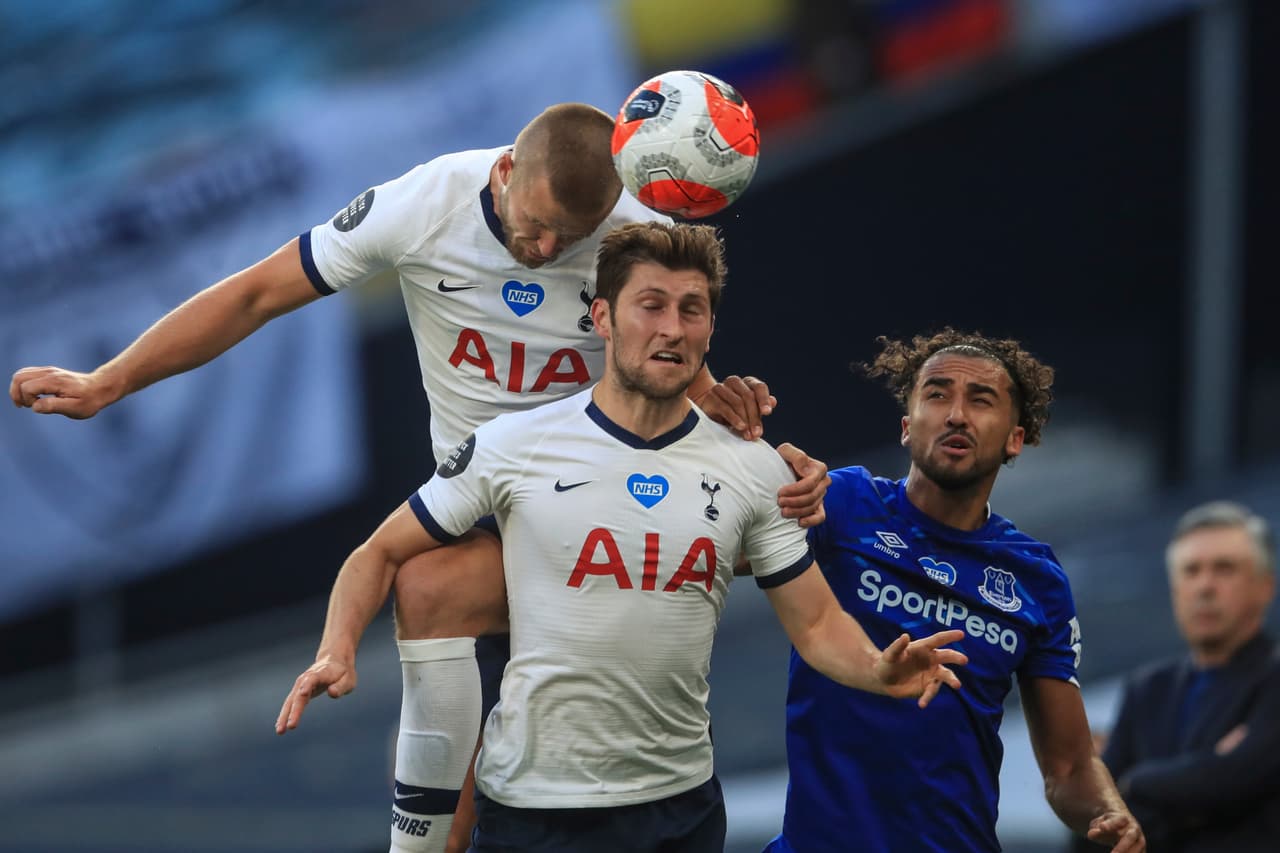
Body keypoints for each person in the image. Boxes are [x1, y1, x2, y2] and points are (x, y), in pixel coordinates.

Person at [9, 103, 830, 853]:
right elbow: (256, 294)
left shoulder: (628, 229)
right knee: (431, 585)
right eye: (537, 226)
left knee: (781, 539)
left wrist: (745, 430)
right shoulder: (422, 204)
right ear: (506, 171)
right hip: (484, 498)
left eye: (567, 239)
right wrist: (108, 380)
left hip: (605, 497)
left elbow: (669, 347)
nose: (545, 251)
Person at [277, 220, 968, 853]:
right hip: (530, 812)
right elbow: (381, 551)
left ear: (710, 329)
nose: (671, 328)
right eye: (652, 305)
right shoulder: (514, 446)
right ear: (603, 317)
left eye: (691, 309)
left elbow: (817, 622)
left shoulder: (754, 468)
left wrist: (877, 669)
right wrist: (337, 648)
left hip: (679, 811)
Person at [766, 328, 1145, 853]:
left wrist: (1109, 811)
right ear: (907, 427)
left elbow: (1070, 766)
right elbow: (725, 549)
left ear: (1016, 437)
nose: (957, 414)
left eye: (981, 399)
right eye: (937, 394)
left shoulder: (1036, 577)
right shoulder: (843, 503)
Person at [1074, 501, 1280, 852]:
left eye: (1224, 569)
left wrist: (1133, 782)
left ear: (1265, 587)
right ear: (1174, 591)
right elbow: (1091, 827)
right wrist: (1204, 775)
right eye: (1191, 571)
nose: (1205, 587)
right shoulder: (1147, 689)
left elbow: (1231, 782)